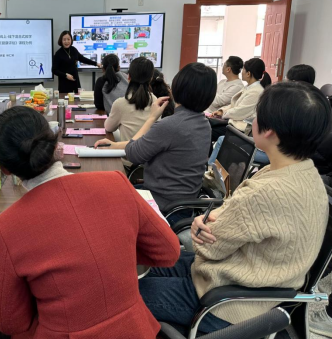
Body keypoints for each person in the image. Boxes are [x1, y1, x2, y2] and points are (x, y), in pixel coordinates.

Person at [138, 81, 331, 334]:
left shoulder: (265, 192)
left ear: (270, 130)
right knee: (147, 263)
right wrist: (215, 221)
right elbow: (232, 218)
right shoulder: (306, 174)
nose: (253, 120)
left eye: (257, 115)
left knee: (126, 294)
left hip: (228, 303)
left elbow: (209, 247)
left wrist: (199, 227)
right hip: (253, 284)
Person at [0, 106, 180, 338]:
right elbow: (169, 252)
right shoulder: (116, 183)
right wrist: (115, 250)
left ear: (5, 169)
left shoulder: (8, 227)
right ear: (53, 143)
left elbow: (9, 322)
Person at [95, 63, 218, 221]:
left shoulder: (171, 125)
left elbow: (133, 153)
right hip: (183, 204)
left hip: (161, 205)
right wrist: (114, 145)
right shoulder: (204, 124)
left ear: (176, 88)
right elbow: (147, 145)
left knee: (102, 198)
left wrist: (152, 118)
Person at [104, 57, 157, 168]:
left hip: (128, 162)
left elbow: (108, 128)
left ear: (128, 77)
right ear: (151, 78)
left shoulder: (121, 103)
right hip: (151, 163)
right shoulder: (155, 101)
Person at [209, 58, 271, 141]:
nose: (241, 72)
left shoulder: (256, 91)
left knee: (207, 131)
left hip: (239, 128)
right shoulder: (249, 87)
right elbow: (234, 105)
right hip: (233, 123)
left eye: (243, 70)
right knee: (206, 126)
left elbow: (239, 112)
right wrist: (221, 111)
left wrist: (223, 114)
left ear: (248, 74)